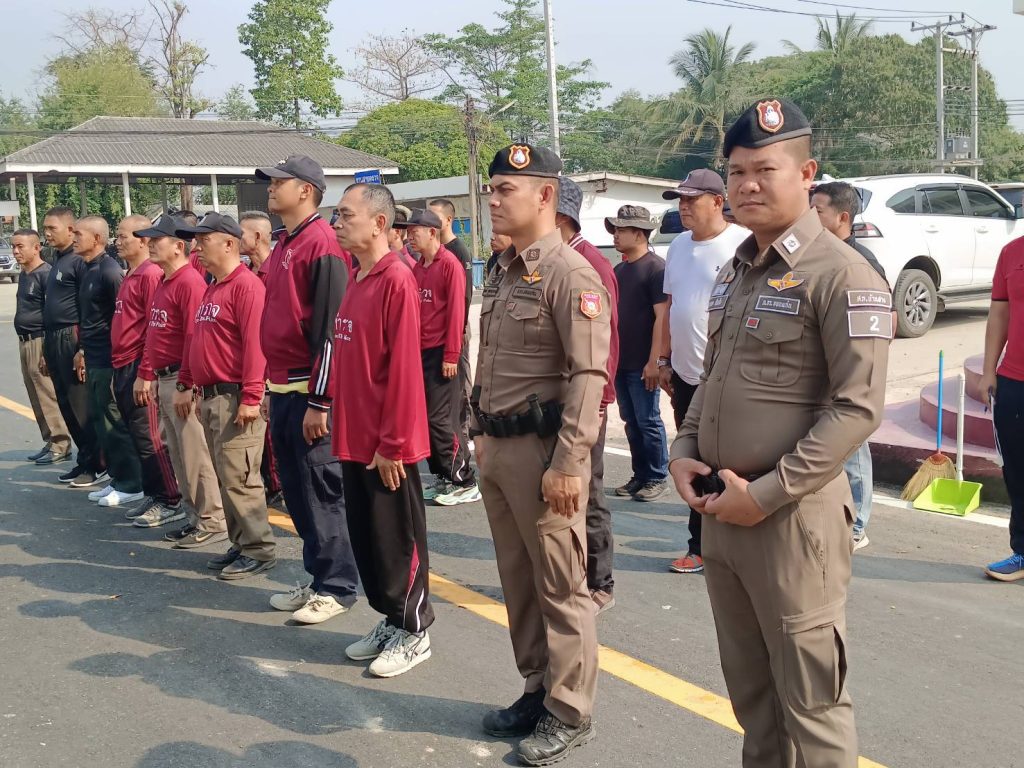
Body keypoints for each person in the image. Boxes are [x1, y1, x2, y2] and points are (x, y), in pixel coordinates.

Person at [668, 98, 891, 767]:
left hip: (792, 521)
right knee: (754, 702)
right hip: (723, 514)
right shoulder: (738, 269)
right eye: (737, 172)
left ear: (807, 174)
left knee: (813, 710)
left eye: (765, 169)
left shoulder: (842, 273)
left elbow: (857, 409)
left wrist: (763, 495)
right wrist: (683, 451)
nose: (747, 185)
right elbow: (712, 378)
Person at [474, 144, 610, 766]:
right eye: (493, 189)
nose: (494, 200)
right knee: (519, 580)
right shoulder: (504, 270)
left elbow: (588, 376)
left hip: (543, 453)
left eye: (506, 189)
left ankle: (570, 709)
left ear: (546, 196)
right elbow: (488, 359)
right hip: (499, 446)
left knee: (560, 585)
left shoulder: (569, 273)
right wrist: (477, 430)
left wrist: (568, 463)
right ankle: (536, 687)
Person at [330, 183, 434, 677]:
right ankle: (392, 619)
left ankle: (415, 630)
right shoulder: (357, 277)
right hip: (355, 437)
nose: (337, 223)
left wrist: (393, 444)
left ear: (378, 223)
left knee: (398, 542)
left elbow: (405, 371)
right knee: (369, 540)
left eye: (346, 214)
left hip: (386, 444)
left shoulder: (396, 279)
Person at [255, 155, 361, 624]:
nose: (270, 188)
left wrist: (321, 400)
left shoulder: (322, 244)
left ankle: (338, 586)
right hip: (283, 387)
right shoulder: (285, 243)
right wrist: (267, 388)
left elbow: (331, 332)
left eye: (279, 182)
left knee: (321, 493)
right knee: (297, 494)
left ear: (305, 190)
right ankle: (318, 576)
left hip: (309, 392)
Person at [658, 169, 749, 574]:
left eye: (691, 200)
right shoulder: (678, 245)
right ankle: (700, 547)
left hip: (726, 378)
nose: (683, 207)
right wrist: (662, 360)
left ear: (717, 201)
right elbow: (670, 307)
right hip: (684, 374)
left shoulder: (741, 244)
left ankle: (726, 546)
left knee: (727, 462)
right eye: (680, 200)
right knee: (693, 459)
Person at [176, 213, 277, 580]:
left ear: (230, 244)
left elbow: (255, 346)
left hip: (235, 398)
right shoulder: (214, 286)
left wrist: (251, 396)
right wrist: (189, 382)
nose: (197, 249)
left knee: (241, 477)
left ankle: (258, 548)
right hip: (213, 397)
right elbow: (198, 340)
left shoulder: (246, 286)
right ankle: (241, 542)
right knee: (225, 475)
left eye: (204, 241)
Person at [134, 214, 227, 548]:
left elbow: (193, 337)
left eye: (156, 240)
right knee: (179, 454)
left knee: (195, 454)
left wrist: (187, 385)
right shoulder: (165, 280)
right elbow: (157, 333)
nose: (148, 245)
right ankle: (194, 517)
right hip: (165, 378)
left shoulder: (189, 283)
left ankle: (212, 519)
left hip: (180, 378)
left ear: (177, 246)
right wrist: (149, 374)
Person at [555, 177, 620, 614]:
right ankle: (570, 576)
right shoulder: (552, 261)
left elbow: (606, 344)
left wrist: (597, 403)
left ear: (559, 216)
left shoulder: (589, 264)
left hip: (585, 402)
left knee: (588, 492)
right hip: (557, 399)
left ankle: (600, 580)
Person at [812, 181, 888, 552]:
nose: (810, 217)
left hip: (848, 374)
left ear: (842, 217)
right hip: (818, 371)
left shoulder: (862, 263)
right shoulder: (815, 256)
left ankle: (857, 524)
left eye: (818, 211)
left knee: (852, 449)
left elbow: (883, 324)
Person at [109, 215, 183, 525]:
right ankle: (154, 492)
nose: (118, 241)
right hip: (123, 364)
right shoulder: (131, 274)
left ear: (142, 241)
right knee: (138, 435)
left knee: (151, 436)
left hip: (139, 366)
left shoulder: (151, 275)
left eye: (123, 236)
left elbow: (155, 329)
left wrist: (146, 372)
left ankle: (169, 498)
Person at [406, 208, 479, 506]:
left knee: (442, 419)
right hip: (421, 352)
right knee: (426, 419)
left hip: (442, 353)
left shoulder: (449, 264)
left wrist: (451, 355)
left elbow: (456, 314)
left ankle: (464, 479)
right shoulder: (418, 267)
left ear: (432, 232)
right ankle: (442, 475)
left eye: (415, 232)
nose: (410, 237)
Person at [75, 215, 144, 508]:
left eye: (79, 234)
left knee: (114, 422)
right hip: (93, 355)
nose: (74, 238)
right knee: (100, 421)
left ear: (96, 238)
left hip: (108, 357)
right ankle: (117, 477)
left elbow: (124, 318)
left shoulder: (110, 271)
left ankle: (132, 483)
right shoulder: (88, 269)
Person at [40, 207, 105, 487]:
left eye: (52, 228)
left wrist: (82, 349)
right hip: (54, 336)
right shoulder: (58, 259)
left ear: (69, 230)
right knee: (66, 404)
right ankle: (84, 460)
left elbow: (86, 307)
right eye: (45, 228)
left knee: (81, 405)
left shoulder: (79, 262)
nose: (46, 233)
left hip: (72, 336)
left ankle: (97, 464)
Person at [608, 205, 669, 502]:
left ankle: (657, 476)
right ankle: (640, 475)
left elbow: (662, 317)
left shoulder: (656, 269)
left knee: (648, 420)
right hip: (621, 361)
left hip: (643, 363)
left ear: (640, 233)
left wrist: (655, 360)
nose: (616, 235)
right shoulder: (619, 270)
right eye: (616, 230)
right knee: (631, 421)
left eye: (621, 230)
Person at [980, 234, 1024, 581]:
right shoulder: (1012, 252)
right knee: (1018, 472)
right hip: (1014, 382)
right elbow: (1000, 313)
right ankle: (1022, 551)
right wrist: (988, 370)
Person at [12, 229, 71, 464]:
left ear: (37, 248)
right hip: (25, 341)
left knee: (47, 394)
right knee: (35, 394)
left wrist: (47, 349)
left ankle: (61, 443)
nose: (16, 251)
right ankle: (50, 440)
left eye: (20, 246)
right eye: (13, 246)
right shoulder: (25, 274)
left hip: (39, 341)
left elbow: (52, 314)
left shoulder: (46, 274)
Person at [238, 210, 284, 507]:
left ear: (257, 236)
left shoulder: (277, 271)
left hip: (274, 363)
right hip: (253, 361)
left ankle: (278, 485)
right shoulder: (246, 273)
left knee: (272, 430)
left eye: (240, 233)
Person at [428, 198, 474, 456]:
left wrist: (458, 332)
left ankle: (464, 435)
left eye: (435, 216)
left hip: (457, 329)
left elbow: (463, 298)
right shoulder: (432, 252)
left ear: (448, 220)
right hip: (438, 334)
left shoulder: (458, 251)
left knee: (459, 386)